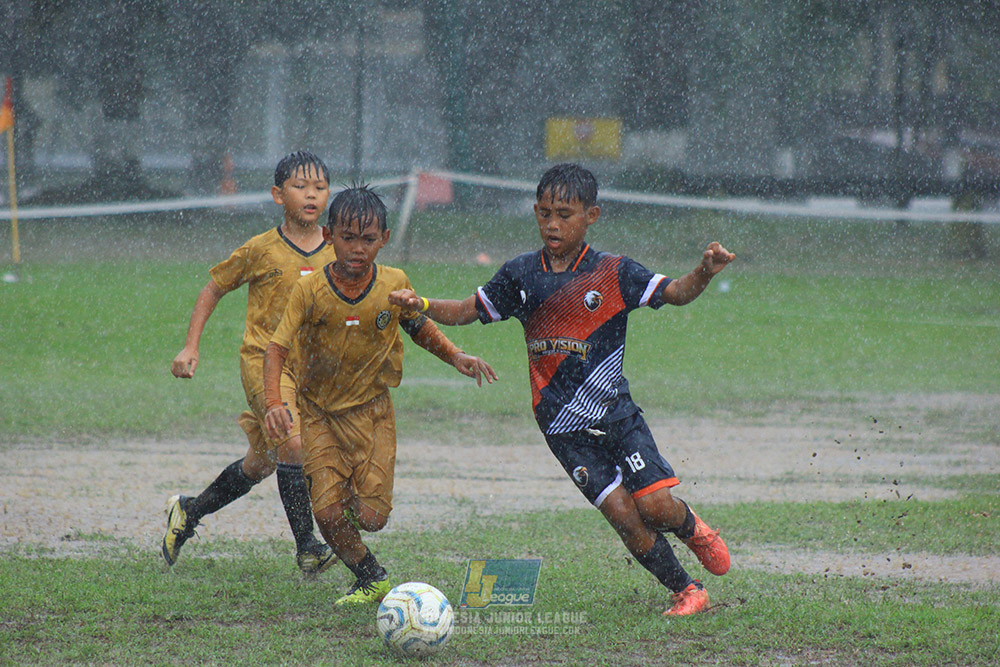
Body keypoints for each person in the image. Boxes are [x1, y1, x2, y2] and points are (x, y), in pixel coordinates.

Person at [388, 163, 735, 616]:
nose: (553, 224)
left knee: (654, 506)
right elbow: (467, 310)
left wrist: (704, 272)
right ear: (535, 211)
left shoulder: (614, 272)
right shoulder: (520, 275)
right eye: (545, 213)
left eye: (565, 215)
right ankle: (687, 590)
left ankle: (692, 529)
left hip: (615, 414)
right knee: (623, 516)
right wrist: (422, 304)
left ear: (592, 216)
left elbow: (675, 292)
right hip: (562, 428)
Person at [263, 184, 496, 605]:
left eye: (368, 239)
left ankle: (346, 511)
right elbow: (276, 348)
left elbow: (417, 324)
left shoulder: (394, 284)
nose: (357, 249)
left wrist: (455, 355)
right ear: (329, 236)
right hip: (319, 414)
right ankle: (370, 575)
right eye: (348, 238)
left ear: (384, 239)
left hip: (373, 414)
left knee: (372, 518)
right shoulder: (310, 290)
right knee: (326, 511)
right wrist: (274, 403)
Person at [163, 151, 338, 576]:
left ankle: (188, 511)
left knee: (262, 463)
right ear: (278, 195)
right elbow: (213, 288)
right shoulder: (261, 249)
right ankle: (308, 548)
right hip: (265, 364)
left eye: (319, 188)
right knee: (293, 443)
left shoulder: (338, 248)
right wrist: (190, 346)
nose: (311, 195)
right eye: (300, 187)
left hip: (313, 371)